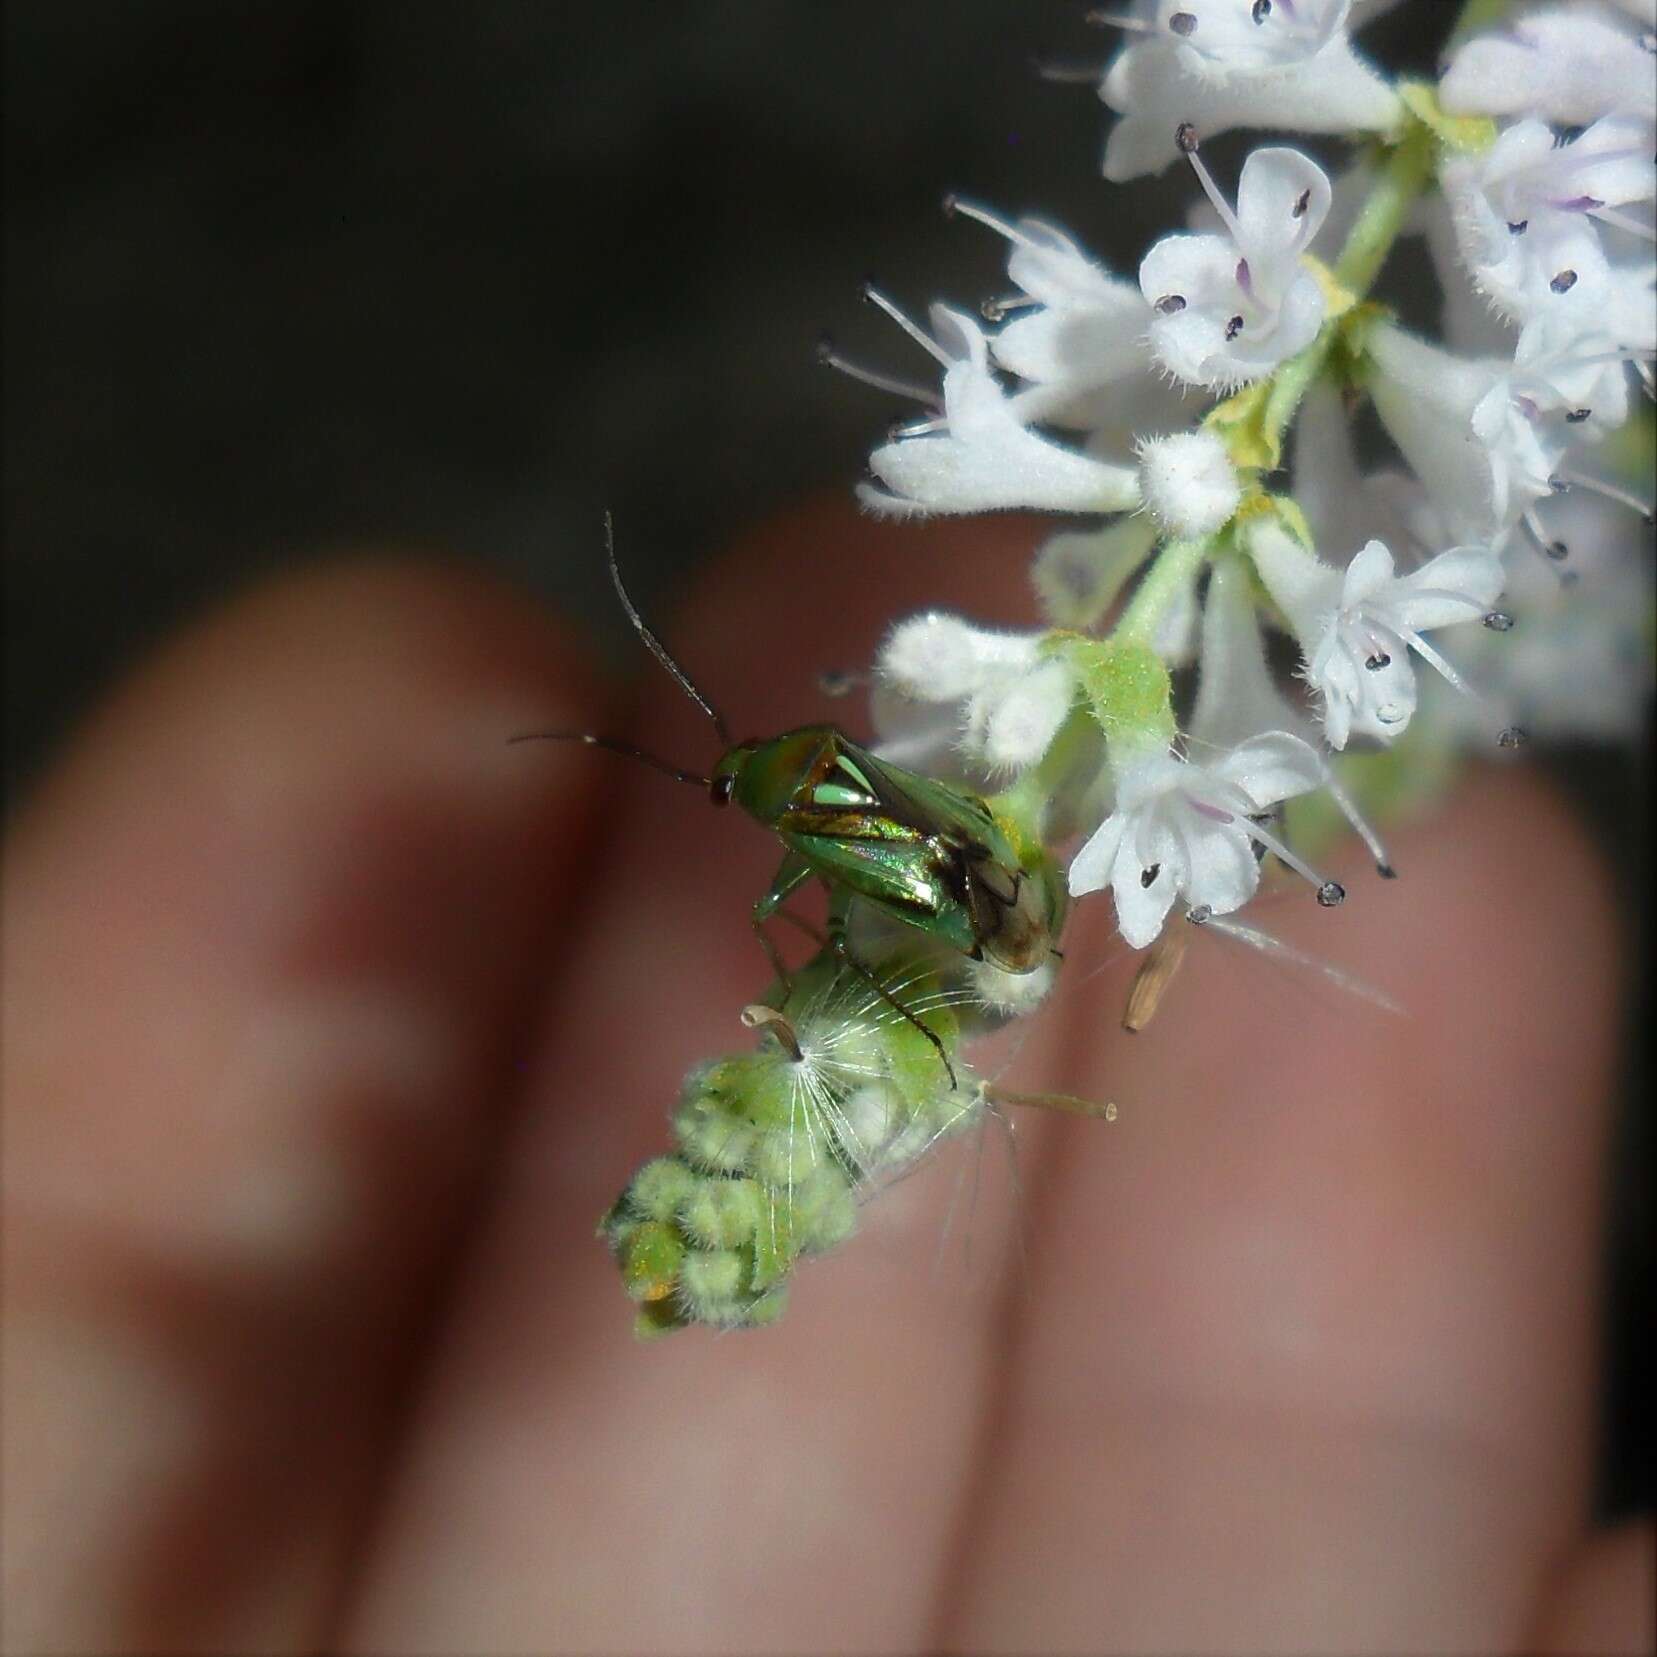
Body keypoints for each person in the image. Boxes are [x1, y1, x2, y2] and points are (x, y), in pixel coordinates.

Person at [3, 499, 1649, 1653]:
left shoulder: (795, 823)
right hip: (956, 870)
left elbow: (836, 870)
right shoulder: (826, 778)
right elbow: (890, 832)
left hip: (955, 873)